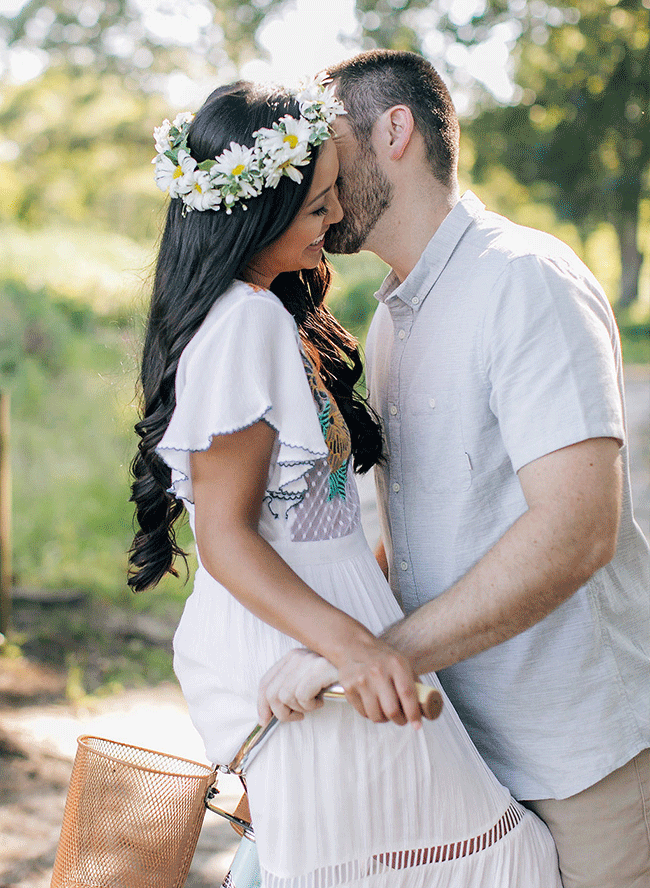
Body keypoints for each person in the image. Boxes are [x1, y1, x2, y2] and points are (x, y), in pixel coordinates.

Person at [128, 77, 561, 886]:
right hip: (300, 640)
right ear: (257, 211)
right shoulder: (245, 323)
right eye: (318, 203)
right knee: (497, 861)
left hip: (326, 630)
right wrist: (356, 651)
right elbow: (225, 536)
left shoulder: (265, 312)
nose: (335, 220)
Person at [312, 48, 648, 888]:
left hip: (582, 764)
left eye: (329, 142)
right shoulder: (391, 318)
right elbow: (427, 535)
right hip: (466, 758)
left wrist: (383, 654)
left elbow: (578, 528)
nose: (312, 172)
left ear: (396, 131)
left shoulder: (524, 280)